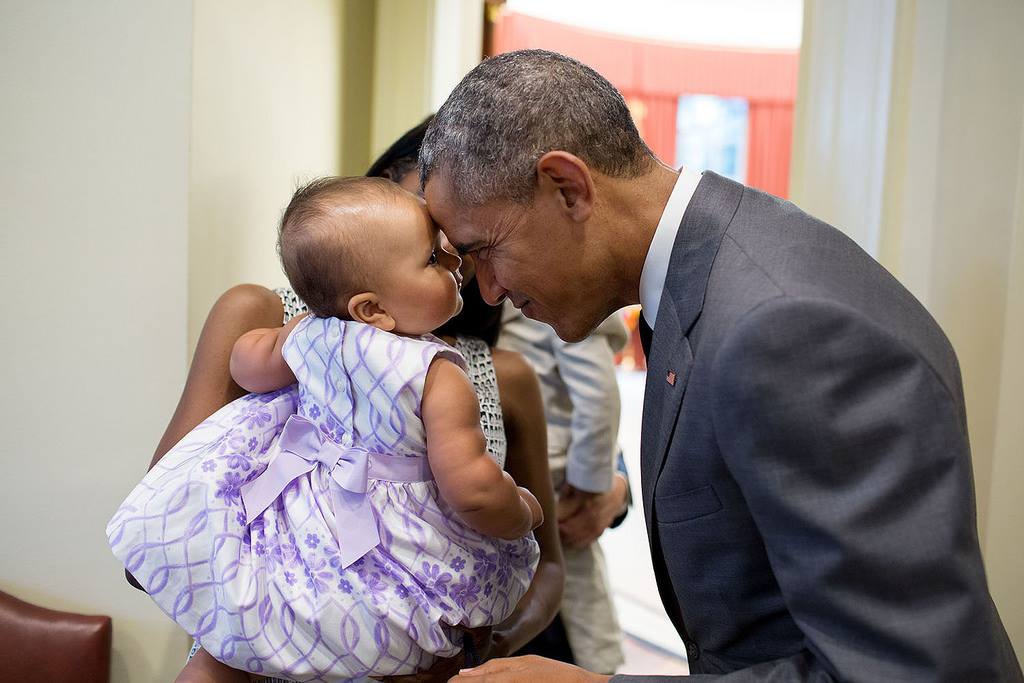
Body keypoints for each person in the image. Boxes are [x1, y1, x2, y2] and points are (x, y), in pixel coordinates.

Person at [417, 50, 1023, 682]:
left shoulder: (787, 330)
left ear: (567, 187)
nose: (487, 291)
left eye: (486, 250)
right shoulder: (704, 270)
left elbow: (913, 672)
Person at [110, 177, 544, 681]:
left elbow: (245, 365)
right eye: (434, 258)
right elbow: (469, 487)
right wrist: (521, 509)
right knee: (396, 633)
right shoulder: (436, 371)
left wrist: (288, 337)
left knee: (230, 648)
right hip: (387, 552)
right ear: (373, 309)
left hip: (303, 530)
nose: (456, 265)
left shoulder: (310, 333)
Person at [498, 304, 629, 673]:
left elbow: (598, 393)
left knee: (578, 613)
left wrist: (594, 487)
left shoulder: (545, 299)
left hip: (553, 488)